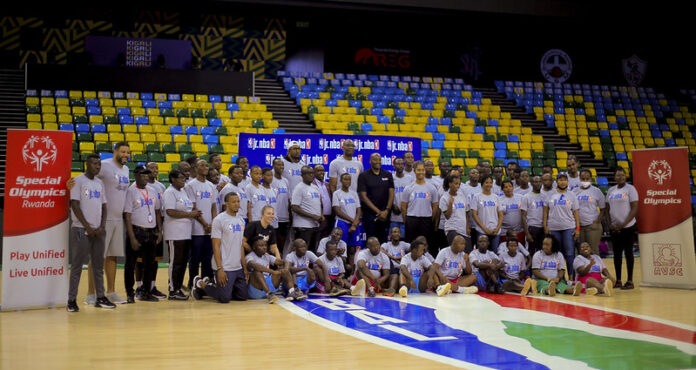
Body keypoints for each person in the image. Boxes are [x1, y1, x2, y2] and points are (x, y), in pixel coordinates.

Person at [67, 154, 116, 311]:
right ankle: (71, 300)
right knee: (76, 266)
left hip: (98, 231)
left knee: (97, 265)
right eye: (94, 163)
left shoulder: (100, 183)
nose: (97, 166)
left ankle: (100, 297)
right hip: (81, 230)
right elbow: (74, 205)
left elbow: (104, 207)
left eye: (99, 164)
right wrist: (87, 227)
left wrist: (102, 227)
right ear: (87, 165)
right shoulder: (78, 181)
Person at [84, 141, 130, 306]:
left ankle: (110, 292)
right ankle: (91, 293)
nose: (125, 155)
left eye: (127, 152)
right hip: (104, 219)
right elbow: (87, 178)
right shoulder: (104, 165)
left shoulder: (125, 169)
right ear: (115, 151)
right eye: (123, 151)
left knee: (112, 257)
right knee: (97, 257)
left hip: (118, 219)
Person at [191, 191, 249, 303]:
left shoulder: (241, 220)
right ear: (226, 203)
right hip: (225, 266)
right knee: (224, 298)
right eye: (233, 202)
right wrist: (219, 268)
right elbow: (215, 246)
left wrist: (244, 268)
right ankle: (200, 284)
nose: (237, 204)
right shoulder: (219, 220)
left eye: (238, 201)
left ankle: (213, 285)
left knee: (243, 296)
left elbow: (240, 245)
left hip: (237, 267)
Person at [123, 165, 162, 303]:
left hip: (151, 231)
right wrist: (132, 237)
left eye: (147, 174)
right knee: (130, 264)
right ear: (135, 175)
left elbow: (157, 211)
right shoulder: (130, 191)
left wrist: (159, 230)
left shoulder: (152, 190)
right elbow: (127, 215)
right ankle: (129, 293)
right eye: (142, 174)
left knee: (150, 264)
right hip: (136, 231)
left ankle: (145, 292)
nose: (145, 177)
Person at [163, 169, 201, 300]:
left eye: (184, 177)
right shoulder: (170, 192)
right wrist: (190, 214)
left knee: (183, 262)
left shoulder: (183, 192)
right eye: (180, 178)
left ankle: (178, 287)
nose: (183, 180)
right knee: (175, 262)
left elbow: (190, 208)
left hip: (185, 233)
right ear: (173, 179)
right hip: (175, 234)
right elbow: (170, 212)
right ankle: (172, 290)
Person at [185, 159, 218, 291]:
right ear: (195, 168)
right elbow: (193, 208)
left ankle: (206, 282)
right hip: (197, 228)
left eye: (206, 165)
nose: (205, 167)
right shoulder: (191, 185)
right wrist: (204, 223)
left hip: (210, 228)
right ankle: (193, 282)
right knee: (195, 258)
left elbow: (214, 206)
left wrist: (214, 222)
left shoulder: (211, 186)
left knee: (207, 258)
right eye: (202, 165)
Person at [605, 166, 639, 290]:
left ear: (626, 176)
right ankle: (618, 280)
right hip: (615, 228)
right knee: (617, 254)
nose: (620, 177)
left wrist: (623, 224)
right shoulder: (611, 190)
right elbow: (607, 210)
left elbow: (634, 208)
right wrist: (610, 224)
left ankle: (630, 280)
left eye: (623, 175)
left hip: (628, 227)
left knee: (629, 253)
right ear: (614, 177)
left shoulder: (631, 189)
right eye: (618, 175)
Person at [543, 172, 581, 281]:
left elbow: (576, 213)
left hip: (568, 227)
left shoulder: (572, 195)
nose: (562, 182)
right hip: (554, 228)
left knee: (569, 254)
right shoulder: (550, 194)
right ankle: (560, 278)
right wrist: (545, 226)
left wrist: (577, 228)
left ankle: (571, 278)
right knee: (557, 254)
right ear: (556, 181)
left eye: (565, 179)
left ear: (567, 182)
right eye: (560, 179)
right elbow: (545, 212)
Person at [245, 236, 306, 303]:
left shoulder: (267, 256)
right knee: (257, 271)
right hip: (255, 289)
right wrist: (273, 272)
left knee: (283, 270)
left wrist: (285, 270)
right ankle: (269, 294)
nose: (264, 247)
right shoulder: (249, 256)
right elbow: (256, 266)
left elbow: (284, 262)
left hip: (268, 285)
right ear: (254, 247)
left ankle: (292, 292)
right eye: (261, 246)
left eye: (265, 245)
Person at [401, 161, 439, 256]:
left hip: (426, 220)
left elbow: (435, 206)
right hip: (411, 219)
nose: (421, 172)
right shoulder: (408, 187)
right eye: (418, 170)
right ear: (414, 171)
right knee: (411, 244)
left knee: (425, 245)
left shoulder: (432, 188)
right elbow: (403, 206)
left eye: (422, 170)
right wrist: (407, 220)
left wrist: (430, 219)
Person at [142, 161, 168, 299]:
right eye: (152, 167)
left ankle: (152, 286)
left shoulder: (161, 186)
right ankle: (140, 285)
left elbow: (159, 210)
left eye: (157, 168)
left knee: (155, 259)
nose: (155, 170)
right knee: (140, 260)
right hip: (142, 226)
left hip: (156, 226)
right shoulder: (139, 186)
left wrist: (160, 228)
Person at [357, 153, 394, 244]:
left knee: (383, 240)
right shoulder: (363, 176)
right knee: (371, 240)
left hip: (385, 214)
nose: (377, 162)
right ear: (370, 161)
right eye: (375, 159)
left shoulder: (388, 174)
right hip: (370, 214)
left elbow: (391, 193)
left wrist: (386, 210)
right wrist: (378, 212)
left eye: (379, 160)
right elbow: (363, 196)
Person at [332, 172, 363, 269]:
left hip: (354, 224)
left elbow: (359, 210)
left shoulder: (353, 193)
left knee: (353, 248)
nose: (347, 181)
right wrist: (352, 221)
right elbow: (337, 210)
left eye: (349, 179)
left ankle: (351, 271)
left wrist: (355, 223)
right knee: (341, 247)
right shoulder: (336, 193)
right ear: (341, 181)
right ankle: (341, 269)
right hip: (342, 223)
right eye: (345, 179)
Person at [573, 169, 606, 255]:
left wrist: (597, 222)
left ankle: (596, 268)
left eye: (587, 179)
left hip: (592, 226)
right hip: (579, 227)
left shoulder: (596, 191)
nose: (585, 181)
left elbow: (603, 209)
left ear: (590, 179)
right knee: (581, 252)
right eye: (583, 179)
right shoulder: (574, 192)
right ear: (579, 178)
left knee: (593, 251)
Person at [291, 165, 323, 253]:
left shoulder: (315, 187)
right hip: (303, 226)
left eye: (312, 173)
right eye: (308, 173)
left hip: (315, 225)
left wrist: (321, 215)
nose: (311, 175)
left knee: (311, 251)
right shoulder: (299, 188)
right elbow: (294, 207)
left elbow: (319, 204)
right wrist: (312, 216)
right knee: (301, 251)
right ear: (302, 175)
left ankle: (310, 266)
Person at [471, 175, 503, 249]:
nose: (489, 184)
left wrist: (498, 228)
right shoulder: (477, 197)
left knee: (494, 254)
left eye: (490, 182)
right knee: (482, 253)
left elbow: (501, 215)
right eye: (486, 182)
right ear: (482, 184)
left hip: (495, 231)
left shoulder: (496, 197)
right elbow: (474, 215)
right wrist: (485, 229)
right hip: (481, 230)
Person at [440, 173, 471, 249]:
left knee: (468, 252)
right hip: (452, 229)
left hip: (463, 229)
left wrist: (467, 227)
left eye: (459, 184)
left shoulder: (462, 196)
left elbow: (466, 213)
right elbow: (447, 216)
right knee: (457, 251)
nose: (458, 186)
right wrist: (450, 204)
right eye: (456, 184)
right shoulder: (444, 198)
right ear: (450, 184)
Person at [271, 157, 291, 257]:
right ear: (273, 166)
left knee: (283, 242)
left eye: (282, 165)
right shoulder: (271, 180)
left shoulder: (286, 181)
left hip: (284, 217)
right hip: (273, 217)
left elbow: (288, 199)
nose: (281, 167)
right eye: (278, 165)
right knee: (274, 243)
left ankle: (281, 261)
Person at [521, 175, 545, 257]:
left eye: (539, 182)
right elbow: (523, 216)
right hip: (532, 227)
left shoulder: (544, 196)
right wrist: (527, 233)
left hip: (543, 228)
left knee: (542, 252)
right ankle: (531, 269)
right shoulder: (526, 197)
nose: (538, 184)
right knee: (531, 252)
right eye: (535, 182)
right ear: (531, 183)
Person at [390, 156, 413, 236]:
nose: (400, 166)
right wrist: (392, 206)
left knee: (405, 240)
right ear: (393, 165)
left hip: (406, 216)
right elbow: (387, 194)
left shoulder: (410, 178)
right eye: (397, 164)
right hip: (393, 216)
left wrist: (405, 208)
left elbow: (412, 195)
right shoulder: (391, 177)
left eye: (401, 164)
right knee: (394, 239)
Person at [499, 179, 525, 244]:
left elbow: (524, 213)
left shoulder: (521, 197)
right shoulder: (499, 200)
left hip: (519, 231)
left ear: (513, 187)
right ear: (502, 189)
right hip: (504, 232)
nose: (508, 188)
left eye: (510, 186)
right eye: (506, 187)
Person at [314, 164, 334, 244]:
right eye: (318, 171)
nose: (321, 172)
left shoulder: (327, 184)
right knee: (317, 239)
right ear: (314, 172)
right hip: (319, 217)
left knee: (326, 239)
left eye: (322, 170)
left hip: (329, 216)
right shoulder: (312, 184)